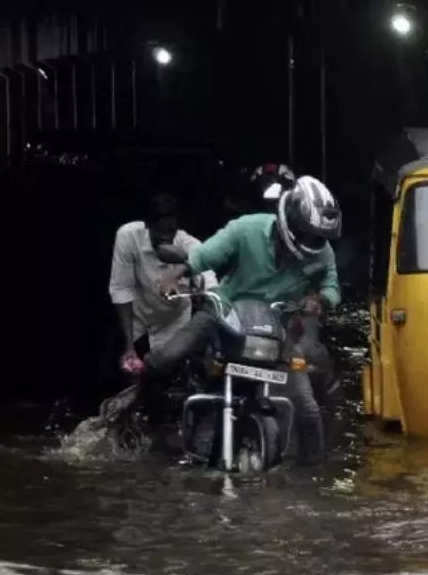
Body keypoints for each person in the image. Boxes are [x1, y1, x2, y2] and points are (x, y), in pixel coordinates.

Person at [143, 175, 343, 465]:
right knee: (164, 358)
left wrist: (321, 300)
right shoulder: (246, 228)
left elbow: (332, 285)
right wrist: (179, 272)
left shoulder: (322, 252)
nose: (315, 242)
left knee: (308, 409)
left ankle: (313, 480)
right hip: (225, 313)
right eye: (309, 234)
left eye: (319, 237)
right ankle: (145, 422)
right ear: (291, 222)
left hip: (276, 328)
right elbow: (204, 255)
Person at [108, 193, 214, 374]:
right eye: (159, 233)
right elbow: (122, 289)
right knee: (125, 376)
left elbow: (209, 278)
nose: (165, 238)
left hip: (174, 324)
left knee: (168, 377)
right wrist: (129, 347)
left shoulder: (189, 245)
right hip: (138, 321)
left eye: (170, 233)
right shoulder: (128, 236)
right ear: (147, 225)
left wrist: (181, 268)